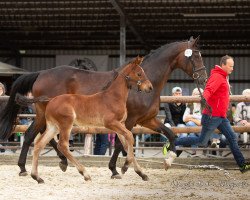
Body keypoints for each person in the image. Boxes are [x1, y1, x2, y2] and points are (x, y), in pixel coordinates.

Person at [174, 55, 250, 173]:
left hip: (221, 117)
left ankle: (242, 165)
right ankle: (173, 142)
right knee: (201, 141)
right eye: (230, 66)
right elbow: (209, 90)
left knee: (232, 138)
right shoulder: (217, 76)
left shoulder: (223, 76)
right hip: (212, 116)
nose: (232, 68)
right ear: (223, 65)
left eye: (233, 66)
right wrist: (204, 98)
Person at [182, 88, 203, 155]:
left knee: (191, 128)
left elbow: (202, 120)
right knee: (190, 124)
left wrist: (192, 117)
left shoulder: (205, 104)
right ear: (192, 95)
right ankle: (202, 139)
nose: (197, 96)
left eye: (199, 94)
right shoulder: (190, 104)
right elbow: (184, 119)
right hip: (196, 128)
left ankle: (194, 151)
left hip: (203, 127)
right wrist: (195, 120)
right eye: (195, 94)